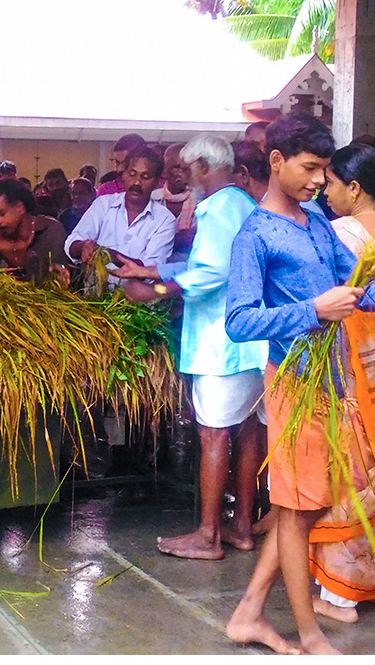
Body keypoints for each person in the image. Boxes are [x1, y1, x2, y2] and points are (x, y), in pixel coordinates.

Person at [223, 113, 375, 654]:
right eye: (310, 168)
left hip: (335, 383)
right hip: (296, 384)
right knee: (297, 511)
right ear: (277, 162)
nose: (320, 180)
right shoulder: (255, 233)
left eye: (324, 170)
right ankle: (311, 635)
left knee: (309, 505)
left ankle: (249, 613)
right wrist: (310, 311)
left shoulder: (315, 221)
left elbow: (354, 289)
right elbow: (240, 321)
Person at [113, 135, 268, 559]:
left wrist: (158, 289)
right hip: (254, 343)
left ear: (202, 166)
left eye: (184, 167)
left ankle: (207, 535)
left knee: (213, 433)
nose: (179, 175)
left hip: (223, 342)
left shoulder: (217, 209)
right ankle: (240, 527)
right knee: (250, 430)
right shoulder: (241, 203)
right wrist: (152, 268)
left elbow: (212, 272)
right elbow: (208, 263)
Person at [309, 143, 375, 622]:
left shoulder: (338, 235)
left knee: (349, 475)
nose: (323, 192)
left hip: (349, 373)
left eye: (329, 183)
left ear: (354, 187)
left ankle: (340, 596)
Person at [65, 145, 176, 271]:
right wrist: (84, 246)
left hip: (136, 291)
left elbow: (152, 267)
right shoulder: (103, 205)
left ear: (156, 182)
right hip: (95, 290)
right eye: (132, 174)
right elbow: (72, 243)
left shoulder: (164, 220)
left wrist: (108, 255)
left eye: (145, 177)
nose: (136, 182)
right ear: (123, 175)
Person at [0, 178, 71, 286]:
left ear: (20, 208)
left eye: (1, 214)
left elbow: (59, 270)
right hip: (10, 299)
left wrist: (58, 271)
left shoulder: (51, 229)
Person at [151, 143, 197, 261]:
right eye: (176, 167)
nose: (181, 173)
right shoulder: (151, 199)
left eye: (186, 168)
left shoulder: (202, 202)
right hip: (152, 269)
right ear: (165, 170)